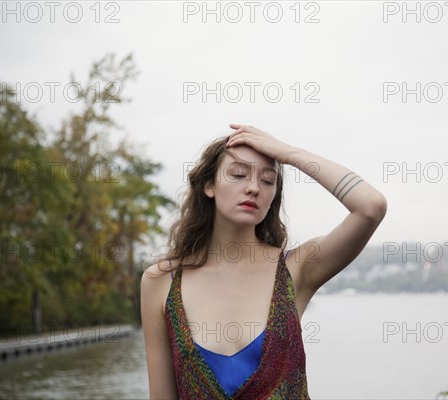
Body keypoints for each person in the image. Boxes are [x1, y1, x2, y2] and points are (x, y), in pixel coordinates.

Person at [141, 124, 387, 399]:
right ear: (209, 185)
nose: (254, 188)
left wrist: (288, 153)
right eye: (238, 174)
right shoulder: (162, 281)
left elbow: (370, 207)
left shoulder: (296, 268)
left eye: (268, 180)